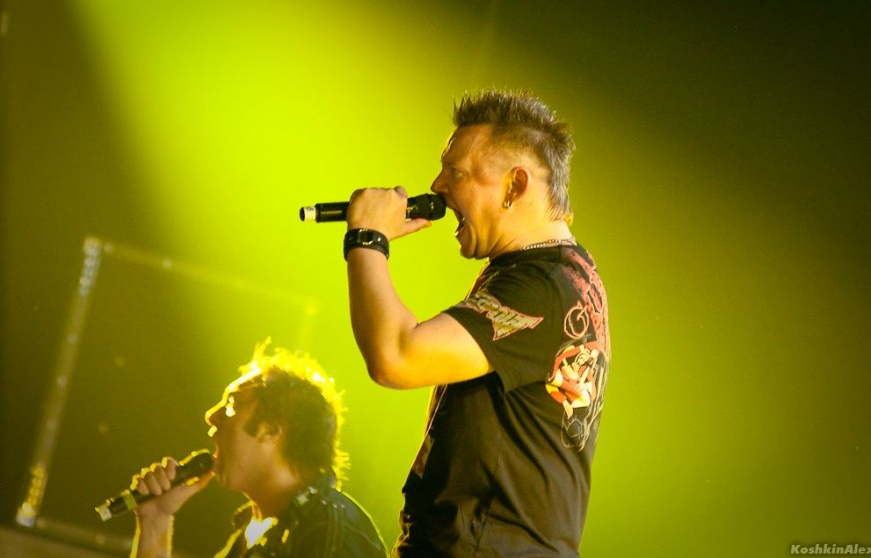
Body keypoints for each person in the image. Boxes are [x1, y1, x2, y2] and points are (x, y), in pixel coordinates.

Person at [344, 89, 611, 556]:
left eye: (457, 172)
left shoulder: (541, 285)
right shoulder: (563, 273)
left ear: (515, 186)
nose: (438, 185)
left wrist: (367, 239)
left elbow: (396, 356)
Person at [128, 340, 388, 558]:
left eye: (233, 404)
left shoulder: (329, 534)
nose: (211, 416)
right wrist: (155, 521)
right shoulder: (257, 528)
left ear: (271, 430)